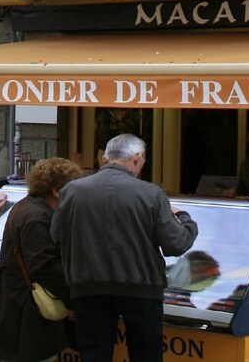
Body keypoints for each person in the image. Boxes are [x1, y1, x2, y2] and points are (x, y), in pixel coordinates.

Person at [51, 135, 198, 362]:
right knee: (146, 356)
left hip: (87, 287)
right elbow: (176, 244)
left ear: (104, 158)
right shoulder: (152, 193)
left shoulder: (72, 190)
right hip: (141, 288)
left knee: (94, 355)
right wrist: (185, 219)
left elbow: (56, 237)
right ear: (137, 159)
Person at [0, 157, 83, 362]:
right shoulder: (38, 216)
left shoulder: (25, 206)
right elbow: (44, 267)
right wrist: (72, 300)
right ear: (57, 191)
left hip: (16, 303)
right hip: (27, 311)